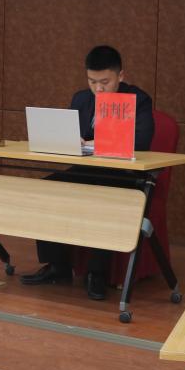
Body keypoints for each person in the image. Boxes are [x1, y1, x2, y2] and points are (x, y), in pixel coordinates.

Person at [20, 45, 155, 300]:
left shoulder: (138, 100)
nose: (98, 89)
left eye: (105, 82)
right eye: (92, 82)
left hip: (122, 173)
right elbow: (70, 134)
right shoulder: (81, 99)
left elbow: (142, 141)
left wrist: (94, 142)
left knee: (102, 196)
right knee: (46, 188)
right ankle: (57, 266)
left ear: (120, 76)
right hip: (87, 167)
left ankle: (97, 273)